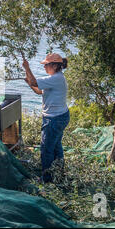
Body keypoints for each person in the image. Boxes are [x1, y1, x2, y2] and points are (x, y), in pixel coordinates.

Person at [22, 53, 70, 183]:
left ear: (54, 65)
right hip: (60, 116)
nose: (44, 67)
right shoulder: (55, 78)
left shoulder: (56, 79)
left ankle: (46, 179)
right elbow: (38, 90)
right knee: (55, 146)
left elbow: (34, 81)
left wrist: (27, 68)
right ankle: (58, 172)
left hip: (54, 119)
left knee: (46, 149)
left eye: (46, 65)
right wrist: (30, 83)